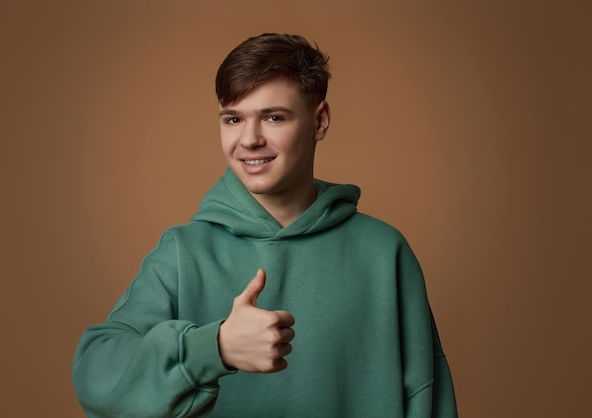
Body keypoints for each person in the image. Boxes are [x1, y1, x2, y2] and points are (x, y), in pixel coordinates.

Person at [72, 33, 458, 417]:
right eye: (234, 119)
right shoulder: (181, 253)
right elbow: (96, 374)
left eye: (273, 117)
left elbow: (428, 397)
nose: (250, 139)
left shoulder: (384, 253)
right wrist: (215, 348)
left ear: (319, 120)